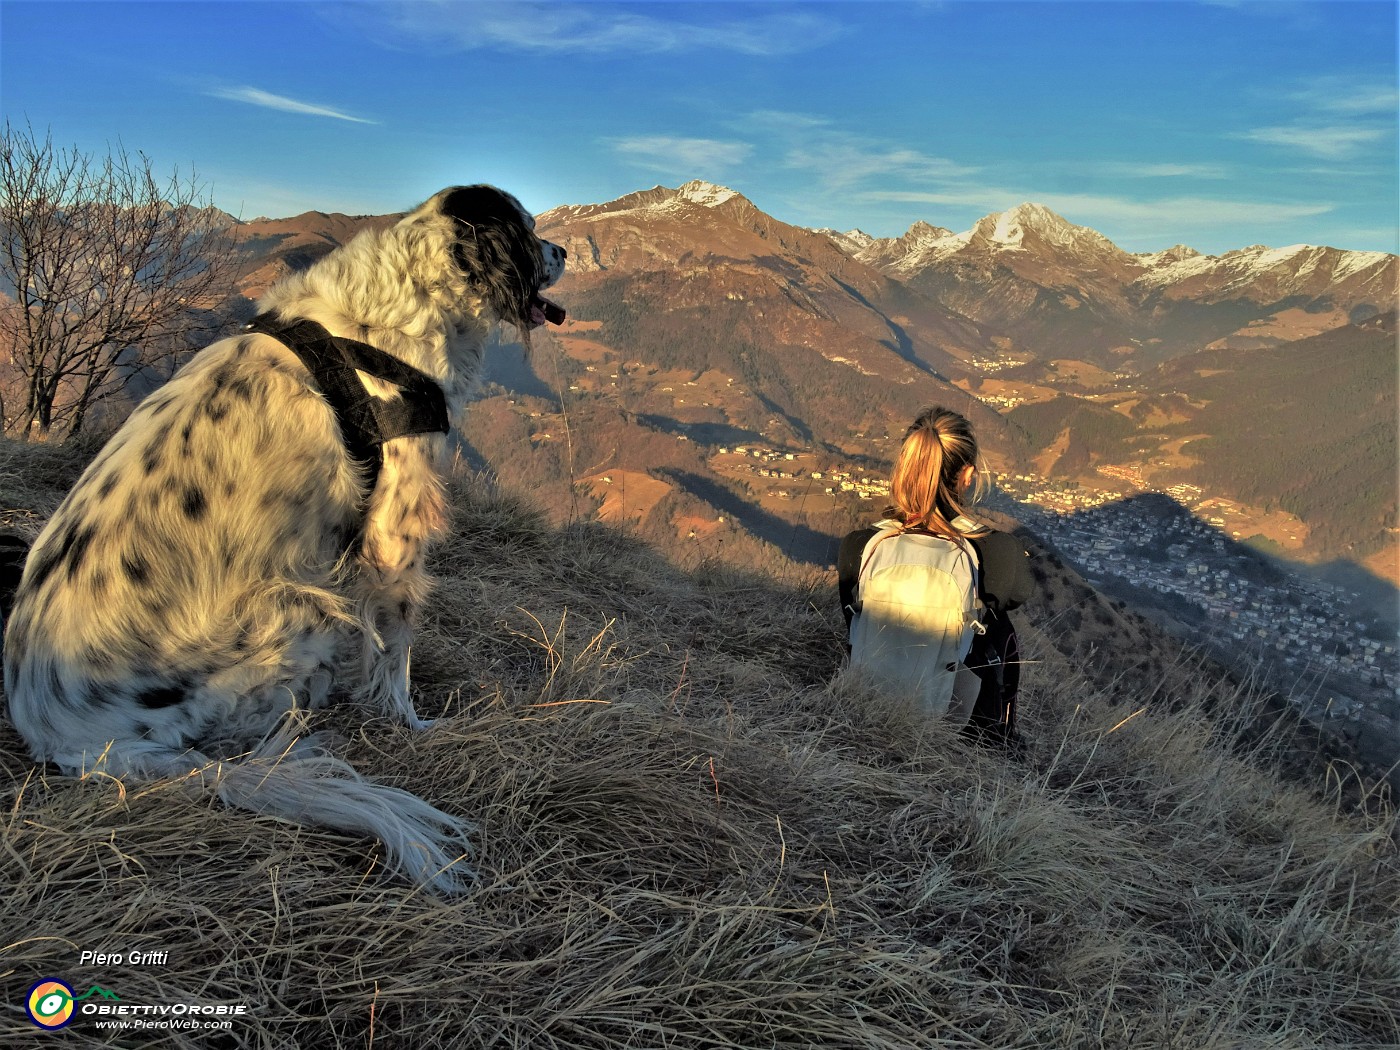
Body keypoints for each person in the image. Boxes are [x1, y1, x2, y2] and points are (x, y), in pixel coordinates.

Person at [838, 407, 1033, 743]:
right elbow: (1019, 593)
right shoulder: (999, 551)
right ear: (968, 475)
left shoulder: (862, 545)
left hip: (863, 709)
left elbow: (850, 619)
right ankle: (997, 738)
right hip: (955, 727)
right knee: (999, 628)